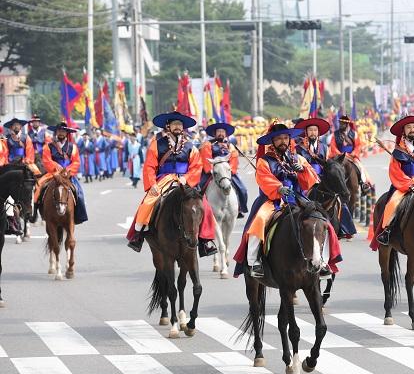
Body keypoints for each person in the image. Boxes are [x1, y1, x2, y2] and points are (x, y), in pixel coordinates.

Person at [234, 122, 322, 279]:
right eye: (279, 138)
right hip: (272, 199)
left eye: (285, 138)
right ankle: (254, 261)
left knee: (319, 219)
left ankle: (322, 260)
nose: (283, 141)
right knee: (259, 221)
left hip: (297, 198)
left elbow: (312, 179)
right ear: (272, 141)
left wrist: (302, 170)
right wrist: (278, 187)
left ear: (290, 140)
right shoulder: (264, 161)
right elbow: (263, 178)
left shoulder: (298, 158)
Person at [126, 111, 218, 257]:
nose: (177, 126)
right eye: (175, 124)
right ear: (168, 126)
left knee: (204, 205)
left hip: (185, 180)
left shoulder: (190, 147)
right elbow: (149, 166)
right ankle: (139, 234)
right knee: (149, 201)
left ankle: (205, 241)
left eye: (180, 124)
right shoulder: (157, 144)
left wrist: (186, 179)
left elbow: (197, 166)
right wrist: (152, 184)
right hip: (164, 178)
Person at [374, 115, 414, 247]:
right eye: (409, 127)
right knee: (393, 204)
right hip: (404, 185)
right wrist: (410, 183)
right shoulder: (398, 151)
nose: (412, 130)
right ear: (403, 131)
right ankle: (387, 230)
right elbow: (395, 171)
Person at [32, 122, 88, 224]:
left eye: (63, 131)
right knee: (38, 188)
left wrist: (67, 171)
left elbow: (76, 162)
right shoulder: (48, 146)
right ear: (56, 132)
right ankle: (35, 213)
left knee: (79, 193)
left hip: (68, 175)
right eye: (59, 131)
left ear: (67, 133)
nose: (61, 133)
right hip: (53, 174)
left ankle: (79, 215)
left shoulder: (73, 147)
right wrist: (56, 171)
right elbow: (46, 160)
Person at [199, 122, 248, 218]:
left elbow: (234, 158)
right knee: (198, 189)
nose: (221, 133)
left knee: (243, 189)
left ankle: (239, 208)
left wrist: (231, 170)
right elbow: (206, 157)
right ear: (215, 133)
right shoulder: (208, 144)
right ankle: (199, 208)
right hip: (213, 171)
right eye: (219, 131)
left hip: (227, 171)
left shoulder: (230, 146)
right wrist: (210, 170)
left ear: (226, 134)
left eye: (222, 132)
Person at [327, 115, 371, 193]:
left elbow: (358, 145)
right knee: (331, 168)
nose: (341, 125)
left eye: (343, 124)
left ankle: (363, 183)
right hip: (339, 156)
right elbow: (333, 146)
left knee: (360, 167)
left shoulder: (354, 134)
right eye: (340, 123)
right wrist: (340, 154)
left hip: (352, 156)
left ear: (347, 124)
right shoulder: (335, 134)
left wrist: (353, 154)